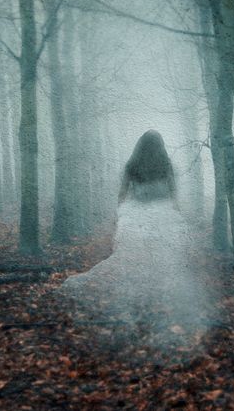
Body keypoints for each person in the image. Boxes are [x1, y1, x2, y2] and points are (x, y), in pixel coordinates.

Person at [61, 130, 214, 353]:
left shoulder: (131, 166)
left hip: (136, 216)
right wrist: (176, 218)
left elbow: (122, 195)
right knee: (162, 259)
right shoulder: (167, 165)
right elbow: (173, 196)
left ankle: (137, 304)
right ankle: (156, 302)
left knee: (133, 259)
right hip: (161, 215)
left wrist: (121, 217)